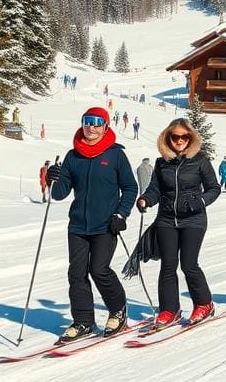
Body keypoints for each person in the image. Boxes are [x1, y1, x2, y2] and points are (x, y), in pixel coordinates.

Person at [46, 106, 137, 342]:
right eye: (87, 121)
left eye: (97, 123)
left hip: (106, 224)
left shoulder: (115, 154)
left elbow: (130, 187)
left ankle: (118, 310)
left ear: (106, 126)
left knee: (99, 269)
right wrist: (53, 178)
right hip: (77, 225)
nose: (91, 127)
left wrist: (121, 214)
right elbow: (59, 194)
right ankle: (83, 321)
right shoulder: (72, 156)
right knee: (76, 273)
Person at [136, 118, 221, 328]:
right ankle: (169, 309)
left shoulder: (199, 160)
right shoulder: (161, 162)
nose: (180, 141)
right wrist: (145, 199)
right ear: (168, 138)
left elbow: (214, 188)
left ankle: (204, 304)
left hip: (193, 219)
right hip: (166, 219)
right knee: (168, 265)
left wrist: (200, 201)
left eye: (184, 136)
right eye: (175, 137)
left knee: (189, 264)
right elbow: (155, 189)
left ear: (190, 138)